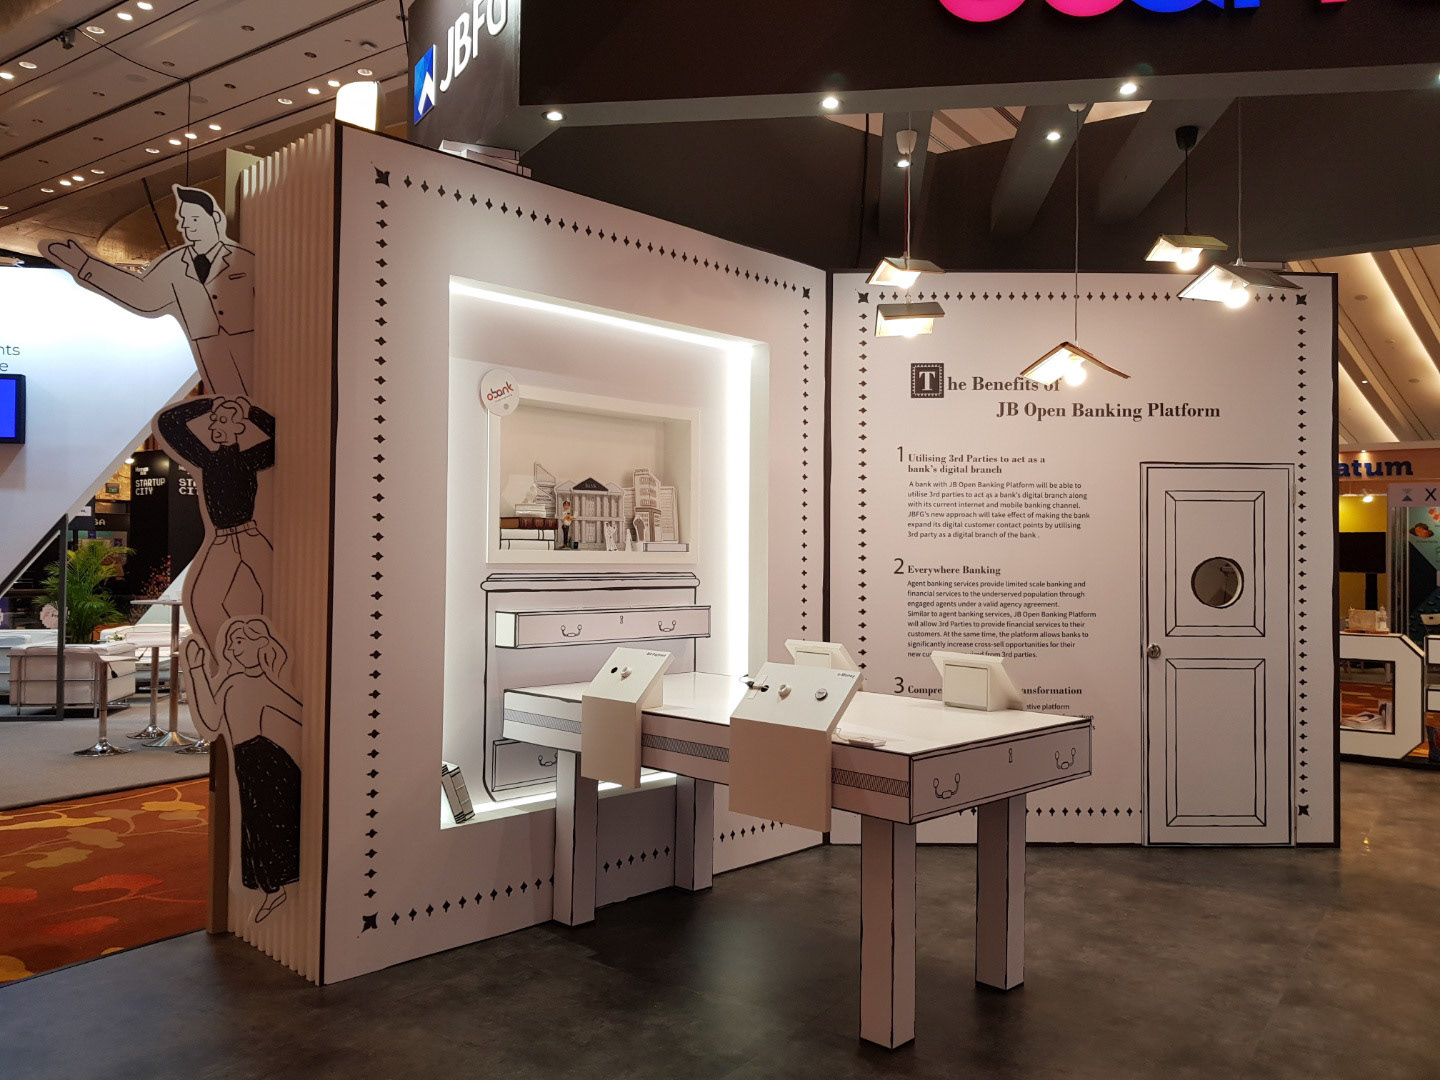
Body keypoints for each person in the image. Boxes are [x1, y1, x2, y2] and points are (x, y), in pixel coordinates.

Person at [43, 186, 255, 398]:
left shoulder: (245, 259)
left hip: (253, 344)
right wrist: (86, 265)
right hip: (207, 348)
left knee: (261, 397)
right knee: (231, 401)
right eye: (184, 219)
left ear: (215, 218)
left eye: (195, 219)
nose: (187, 225)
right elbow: (142, 295)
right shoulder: (175, 264)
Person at [185, 618, 301, 923]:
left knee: (264, 823)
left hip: (267, 762)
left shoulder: (264, 685)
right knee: (253, 823)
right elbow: (211, 721)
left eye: (240, 642)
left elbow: (301, 714)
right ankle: (271, 888)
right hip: (246, 760)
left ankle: (274, 888)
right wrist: (196, 670)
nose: (234, 649)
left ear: (259, 643)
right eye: (232, 643)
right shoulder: (232, 682)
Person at [157, 396, 274, 663]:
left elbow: (280, 436)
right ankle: (228, 659)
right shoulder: (206, 460)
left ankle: (258, 653)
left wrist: (251, 412)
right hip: (223, 540)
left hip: (248, 535)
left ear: (238, 427)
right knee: (200, 600)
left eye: (221, 420)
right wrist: (208, 404)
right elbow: (168, 424)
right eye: (213, 421)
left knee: (275, 593)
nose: (213, 426)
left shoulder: (249, 459)